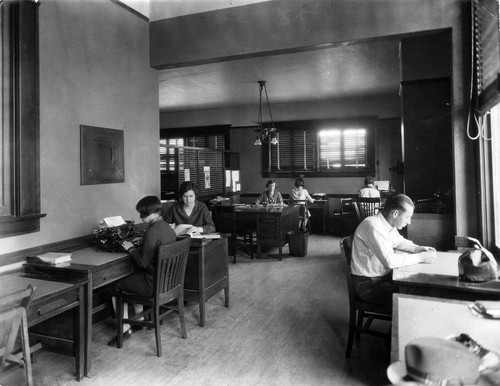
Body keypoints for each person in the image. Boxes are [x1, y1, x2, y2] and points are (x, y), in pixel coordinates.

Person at [108, 195, 176, 346]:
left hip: (153, 283)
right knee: (133, 278)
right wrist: (144, 242)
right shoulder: (166, 227)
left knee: (116, 287)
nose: (140, 217)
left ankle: (125, 329)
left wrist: (130, 248)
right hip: (167, 281)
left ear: (153, 213)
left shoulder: (152, 231)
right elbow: (156, 245)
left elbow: (143, 263)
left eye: (143, 214)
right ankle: (139, 320)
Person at [350, 193, 436, 307]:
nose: (409, 222)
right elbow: (390, 261)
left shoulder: (385, 224)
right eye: (407, 217)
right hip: (369, 286)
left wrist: (418, 248)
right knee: (424, 292)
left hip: (380, 278)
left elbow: (399, 242)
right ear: (395, 213)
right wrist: (420, 257)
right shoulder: (373, 226)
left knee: (421, 284)